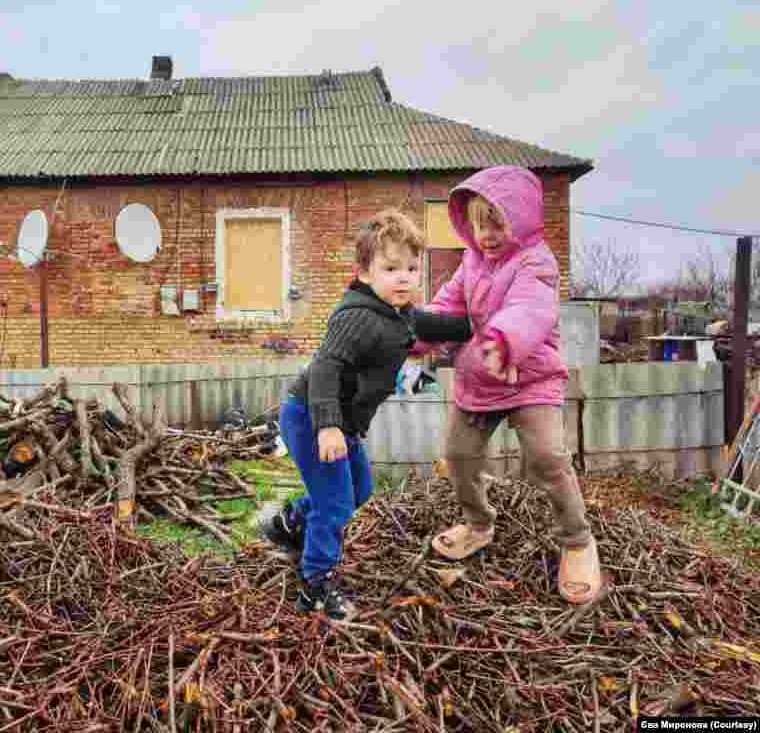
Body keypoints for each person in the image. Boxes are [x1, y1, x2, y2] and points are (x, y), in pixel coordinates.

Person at [258, 209, 473, 619]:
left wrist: (473, 325)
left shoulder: (397, 313)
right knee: (337, 504)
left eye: (412, 267)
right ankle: (315, 587)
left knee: (358, 491)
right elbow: (324, 368)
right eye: (391, 268)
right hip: (312, 418)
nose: (405, 277)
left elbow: (428, 324)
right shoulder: (356, 316)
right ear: (365, 272)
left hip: (340, 423)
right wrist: (328, 428)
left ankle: (289, 523)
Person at [412, 165, 602, 605]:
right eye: (478, 224)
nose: (486, 234)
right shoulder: (470, 263)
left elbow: (530, 310)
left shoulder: (537, 263)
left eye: (497, 222)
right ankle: (478, 524)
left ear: (520, 219)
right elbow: (446, 307)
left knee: (547, 457)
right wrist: (416, 335)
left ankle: (577, 541)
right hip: (480, 378)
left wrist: (503, 341)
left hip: (529, 376)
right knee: (458, 456)